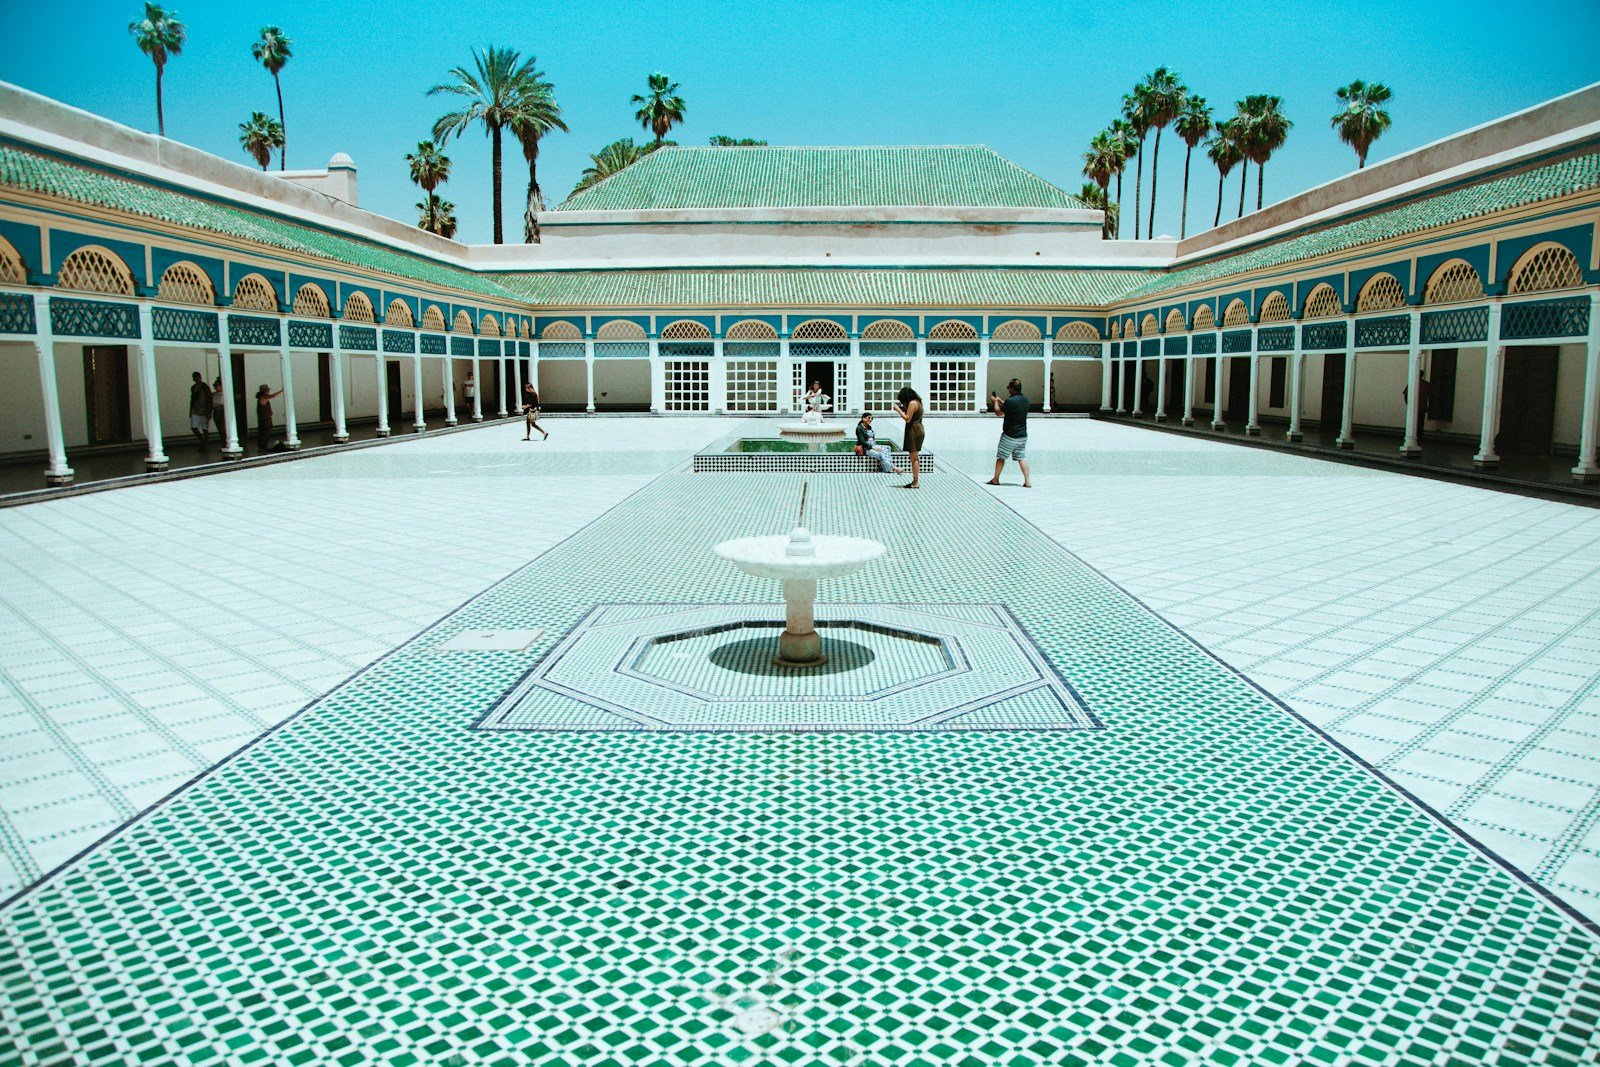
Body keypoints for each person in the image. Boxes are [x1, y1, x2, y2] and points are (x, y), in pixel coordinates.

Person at [988, 378, 1032, 488]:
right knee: (1021, 457)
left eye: (1008, 388)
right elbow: (1012, 407)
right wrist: (1002, 402)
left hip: (1009, 436)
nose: (1008, 390)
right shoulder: (1025, 400)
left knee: (1001, 457)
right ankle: (1027, 481)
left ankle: (996, 479)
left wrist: (995, 403)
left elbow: (999, 412)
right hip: (1022, 436)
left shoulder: (1010, 401)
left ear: (1012, 389)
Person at [891, 386, 924, 489]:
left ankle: (915, 482)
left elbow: (907, 418)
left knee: (914, 458)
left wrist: (898, 410)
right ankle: (915, 481)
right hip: (918, 429)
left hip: (913, 430)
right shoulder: (918, 402)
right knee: (914, 457)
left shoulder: (912, 403)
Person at [188, 371, 213, 449]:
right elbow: (192, 400)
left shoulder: (205, 387)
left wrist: (209, 411)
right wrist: (190, 410)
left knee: (205, 428)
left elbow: (209, 399)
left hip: (204, 411)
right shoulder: (193, 388)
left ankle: (204, 444)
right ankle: (203, 441)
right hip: (195, 410)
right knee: (193, 427)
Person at [255, 384, 282, 452]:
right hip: (264, 418)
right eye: (268, 390)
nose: (269, 391)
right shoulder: (263, 396)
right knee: (265, 431)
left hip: (265, 417)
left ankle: (262, 446)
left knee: (264, 431)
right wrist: (281, 391)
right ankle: (262, 446)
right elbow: (273, 396)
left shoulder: (262, 397)